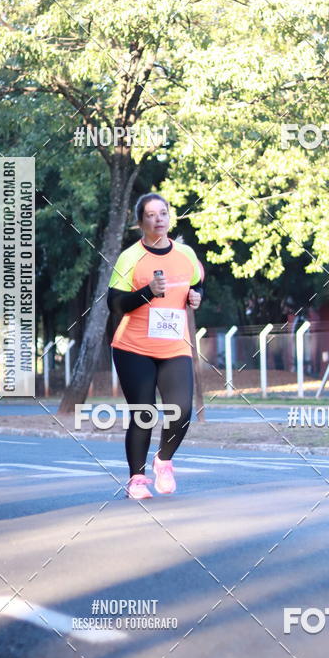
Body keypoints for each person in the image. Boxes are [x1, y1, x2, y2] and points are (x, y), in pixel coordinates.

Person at [107, 193, 204, 500]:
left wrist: (196, 296)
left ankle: (163, 461)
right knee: (144, 412)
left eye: (163, 213)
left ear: (169, 217)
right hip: (133, 347)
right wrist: (147, 292)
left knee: (182, 411)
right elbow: (115, 304)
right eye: (150, 215)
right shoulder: (130, 258)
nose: (158, 219)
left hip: (174, 346)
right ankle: (136, 479)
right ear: (140, 222)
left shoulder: (185, 254)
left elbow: (197, 281)